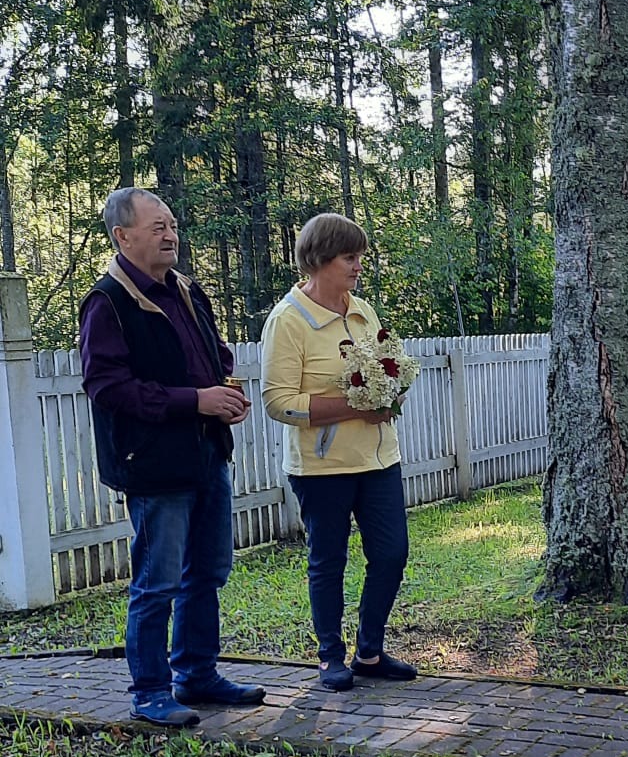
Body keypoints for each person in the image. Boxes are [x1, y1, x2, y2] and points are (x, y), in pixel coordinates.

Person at [79, 188, 267, 728]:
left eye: (173, 225)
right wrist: (195, 401)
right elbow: (107, 386)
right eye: (157, 227)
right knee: (157, 581)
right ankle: (150, 691)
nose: (170, 235)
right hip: (154, 463)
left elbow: (214, 351)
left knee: (208, 572)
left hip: (207, 451)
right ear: (123, 236)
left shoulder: (186, 289)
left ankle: (197, 675)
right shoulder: (107, 302)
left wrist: (222, 392)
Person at [260, 214, 416, 692]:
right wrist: (355, 406)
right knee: (328, 561)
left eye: (360, 256)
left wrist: (391, 391)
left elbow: (385, 369)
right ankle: (330, 656)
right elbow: (278, 402)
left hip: (379, 460)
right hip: (321, 467)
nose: (358, 266)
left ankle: (369, 651)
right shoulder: (288, 320)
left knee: (391, 554)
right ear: (320, 259)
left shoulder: (363, 311)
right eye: (350, 257)